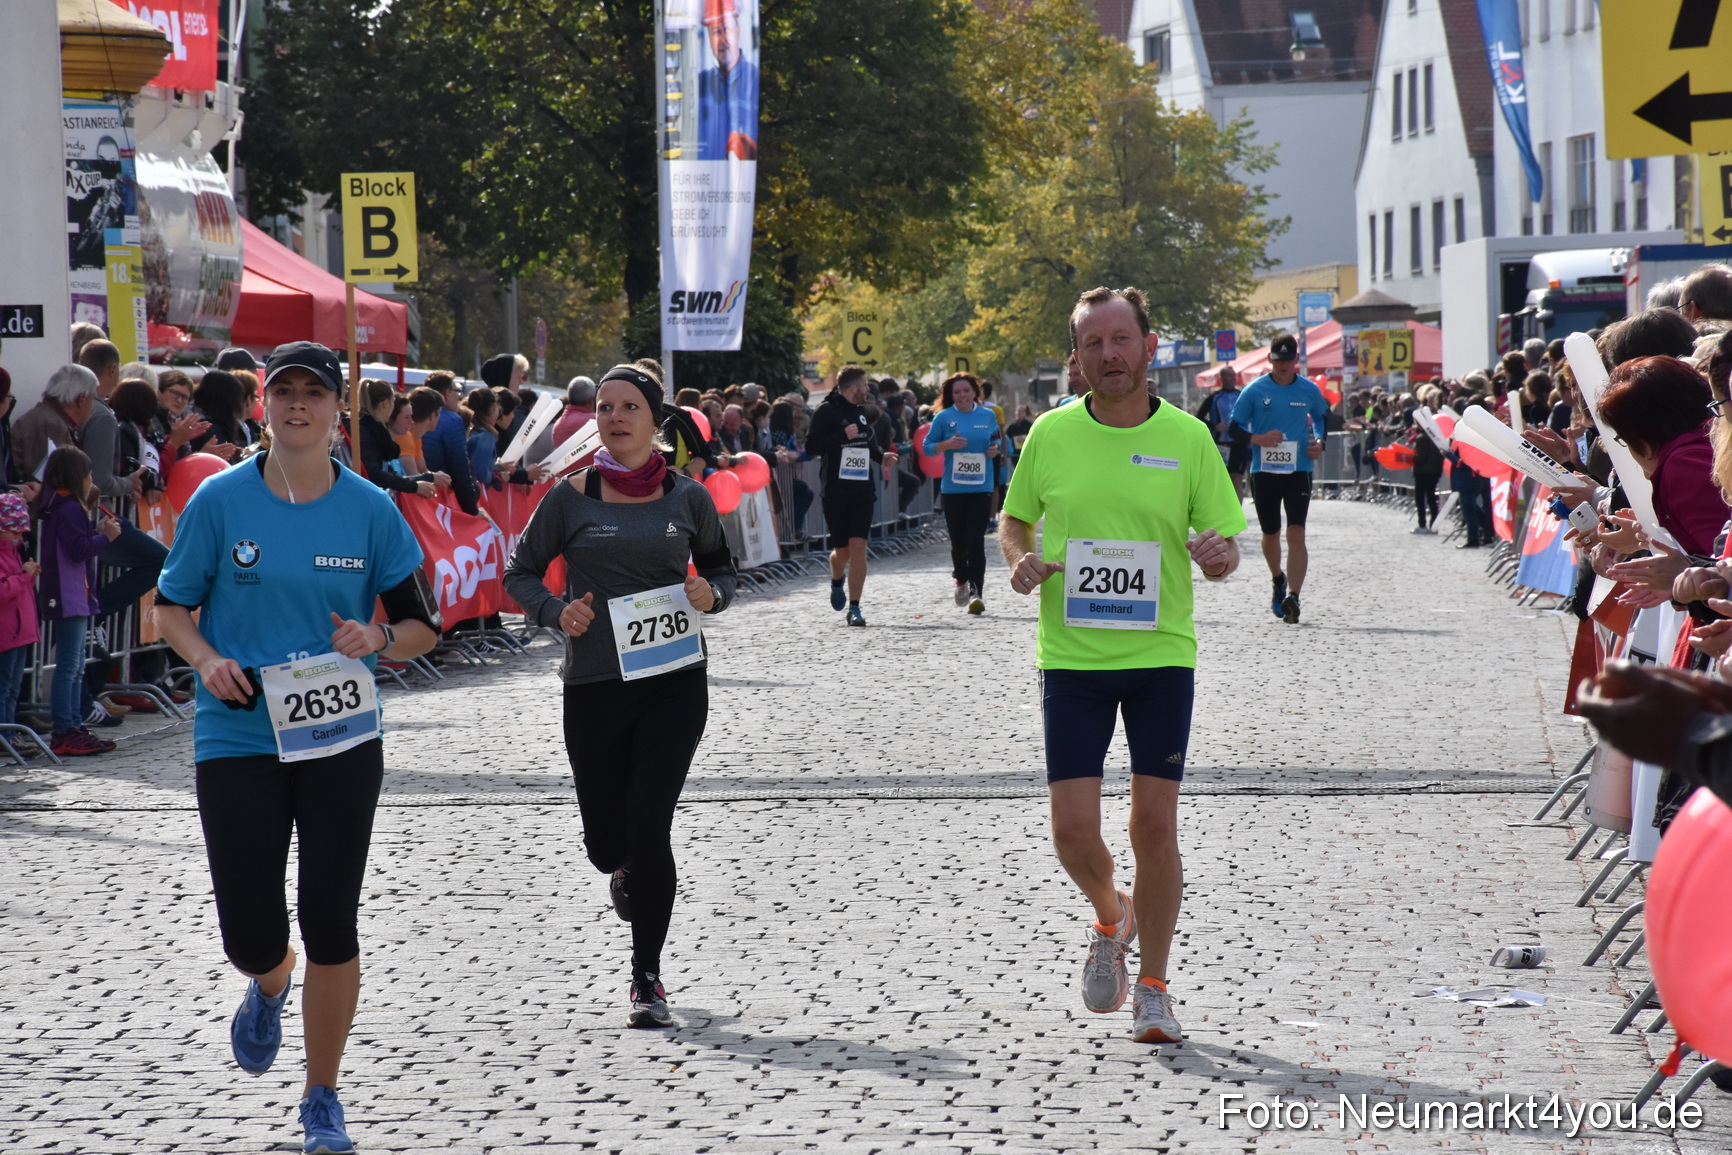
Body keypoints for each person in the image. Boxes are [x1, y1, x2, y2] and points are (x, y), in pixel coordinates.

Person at [153, 341, 438, 1155]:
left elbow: (423, 623)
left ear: (337, 408)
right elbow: (171, 606)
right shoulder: (221, 500)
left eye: (315, 393)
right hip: (239, 732)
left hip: (340, 735)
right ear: (264, 404)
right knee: (249, 930)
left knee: (330, 916)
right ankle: (268, 982)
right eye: (285, 393)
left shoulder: (372, 509)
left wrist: (377, 635)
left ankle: (322, 1096)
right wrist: (207, 658)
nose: (298, 407)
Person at [998, 286, 1244, 1045]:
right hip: (1072, 656)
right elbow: (1015, 521)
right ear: (1076, 358)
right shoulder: (1050, 434)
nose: (1108, 355)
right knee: (1072, 831)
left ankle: (1156, 988)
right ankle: (1113, 913)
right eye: (1092, 344)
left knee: (1153, 823)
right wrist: (1018, 560)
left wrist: (1217, 555)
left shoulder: (1188, 438)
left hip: (1160, 655)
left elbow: (1228, 546)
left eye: (1120, 340)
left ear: (1148, 343)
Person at [502, 364, 737, 1029]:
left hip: (673, 684)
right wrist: (554, 612)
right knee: (608, 843)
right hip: (596, 685)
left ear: (654, 419)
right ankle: (622, 866)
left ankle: (647, 977)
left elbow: (724, 568)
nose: (613, 415)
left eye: (628, 405)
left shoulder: (688, 497)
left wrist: (710, 593)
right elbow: (518, 573)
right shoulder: (570, 496)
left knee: (649, 821)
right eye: (604, 406)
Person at [1227, 333, 1329, 624]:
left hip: (1299, 470)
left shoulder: (1308, 390)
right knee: (1270, 533)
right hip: (1264, 472)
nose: (1282, 365)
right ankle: (1277, 579)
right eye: (1277, 360)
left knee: (1296, 532)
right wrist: (1257, 438)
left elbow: (1322, 417)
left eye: (1287, 360)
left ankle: (1294, 596)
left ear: (1296, 360)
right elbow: (1235, 428)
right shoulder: (1255, 391)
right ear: (1270, 359)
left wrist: (1320, 442)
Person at [35, 447, 122, 756]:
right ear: (77, 477)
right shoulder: (69, 508)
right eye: (88, 475)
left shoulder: (62, 506)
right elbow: (78, 550)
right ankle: (64, 729)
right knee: (70, 666)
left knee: (75, 667)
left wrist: (96, 532)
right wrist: (106, 538)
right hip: (68, 594)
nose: (91, 480)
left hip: (74, 593)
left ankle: (73, 724)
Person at [806, 365, 897, 625]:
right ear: (853, 388)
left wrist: (881, 457)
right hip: (835, 490)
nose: (868, 390)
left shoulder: (861, 413)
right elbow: (811, 445)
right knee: (842, 552)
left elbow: (866, 445)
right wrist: (840, 436)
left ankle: (855, 607)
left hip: (862, 490)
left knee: (859, 547)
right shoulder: (826, 411)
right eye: (865, 385)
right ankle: (837, 580)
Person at [923, 372, 1002, 613]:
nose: (962, 396)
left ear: (974, 392)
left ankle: (977, 593)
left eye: (966, 391)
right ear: (951, 395)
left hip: (981, 487)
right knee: (959, 543)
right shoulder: (943, 418)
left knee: (976, 540)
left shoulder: (988, 416)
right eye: (956, 392)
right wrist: (946, 445)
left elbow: (996, 443)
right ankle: (961, 579)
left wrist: (994, 450)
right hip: (953, 489)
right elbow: (927, 448)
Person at [694, 0, 759, 161]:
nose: (723, 41)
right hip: (698, 181)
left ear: (737, 31)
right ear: (709, 40)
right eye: (716, 32)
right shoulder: (697, 86)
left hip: (742, 182)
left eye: (727, 30)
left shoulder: (756, 79)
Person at [357, 380, 441, 499]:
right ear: (385, 404)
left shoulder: (371, 430)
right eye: (393, 402)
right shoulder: (364, 431)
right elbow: (373, 473)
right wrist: (414, 486)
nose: (411, 422)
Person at [14, 364, 98, 481]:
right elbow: (46, 482)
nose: (93, 407)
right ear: (81, 400)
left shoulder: (49, 418)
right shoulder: (50, 425)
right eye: (93, 399)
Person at [0, 492, 39, 730]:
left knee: (13, 687)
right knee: (4, 686)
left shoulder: (13, 554)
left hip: (19, 632)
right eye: (13, 531)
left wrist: (29, 576)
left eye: (20, 532)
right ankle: (4, 734)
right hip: (6, 635)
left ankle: (10, 733)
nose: (18, 537)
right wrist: (24, 577)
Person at [418, 371, 481, 514]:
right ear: (447, 394)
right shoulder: (453, 420)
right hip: (436, 502)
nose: (459, 396)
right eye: (457, 390)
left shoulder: (413, 414)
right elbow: (461, 471)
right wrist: (473, 511)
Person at [1198, 366, 1247, 498]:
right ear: (1222, 379)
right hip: (1221, 444)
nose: (1233, 378)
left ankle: (1238, 515)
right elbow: (1199, 417)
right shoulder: (1214, 397)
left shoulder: (1241, 395)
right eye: (1229, 375)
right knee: (1223, 479)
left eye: (1234, 375)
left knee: (1237, 478)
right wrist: (1214, 426)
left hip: (1239, 444)